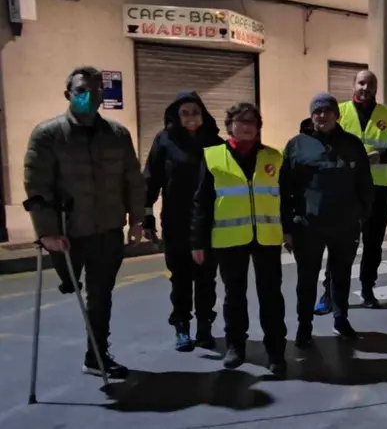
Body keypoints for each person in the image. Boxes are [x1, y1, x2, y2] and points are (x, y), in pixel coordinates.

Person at [23, 66, 144, 379]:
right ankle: (70, 282)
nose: (89, 97)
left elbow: (133, 180)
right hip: (68, 233)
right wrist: (47, 232)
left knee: (101, 296)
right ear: (68, 94)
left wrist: (136, 220)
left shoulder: (118, 135)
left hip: (108, 232)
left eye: (96, 91)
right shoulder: (48, 134)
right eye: (81, 91)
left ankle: (97, 355)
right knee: (72, 287)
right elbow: (37, 188)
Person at [190, 103, 287, 376]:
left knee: (271, 296)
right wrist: (197, 241)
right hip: (229, 237)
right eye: (241, 121)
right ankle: (235, 346)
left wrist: (289, 231)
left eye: (253, 122)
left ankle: (276, 351)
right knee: (234, 296)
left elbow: (285, 198)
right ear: (229, 124)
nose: (247, 126)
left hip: (266, 237)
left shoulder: (273, 157)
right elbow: (202, 202)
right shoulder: (212, 156)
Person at [282, 93, 374, 345]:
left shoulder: (352, 144)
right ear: (311, 116)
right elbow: (285, 188)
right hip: (308, 226)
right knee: (307, 279)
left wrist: (361, 215)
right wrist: (287, 227)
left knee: (341, 275)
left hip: (345, 225)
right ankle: (304, 327)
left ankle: (341, 319)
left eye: (327, 110)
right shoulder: (296, 145)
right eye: (317, 111)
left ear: (337, 114)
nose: (322, 115)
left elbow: (365, 183)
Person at [318, 70, 387, 311]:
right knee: (338, 244)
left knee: (373, 245)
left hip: (377, 191)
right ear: (354, 85)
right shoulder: (340, 112)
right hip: (344, 190)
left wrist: (380, 156)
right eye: (361, 83)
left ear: (376, 88)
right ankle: (329, 293)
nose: (365, 88)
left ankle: (367, 289)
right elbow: (325, 143)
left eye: (370, 84)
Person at [143, 91, 224, 352]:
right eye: (185, 113)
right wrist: (146, 214)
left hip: (208, 222)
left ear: (203, 114)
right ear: (177, 117)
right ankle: (182, 326)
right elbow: (151, 178)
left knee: (206, 278)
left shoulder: (215, 142)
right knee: (180, 278)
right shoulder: (164, 141)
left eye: (195, 112)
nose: (190, 117)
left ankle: (204, 327)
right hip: (176, 221)